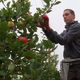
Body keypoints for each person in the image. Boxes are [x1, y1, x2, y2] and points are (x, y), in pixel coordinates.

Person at [37, 9, 80, 80]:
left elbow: (63, 40)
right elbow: (56, 40)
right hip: (70, 65)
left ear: (73, 16)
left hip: (77, 64)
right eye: (63, 15)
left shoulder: (77, 27)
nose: (64, 17)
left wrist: (47, 27)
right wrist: (44, 28)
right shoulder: (66, 31)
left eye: (67, 14)